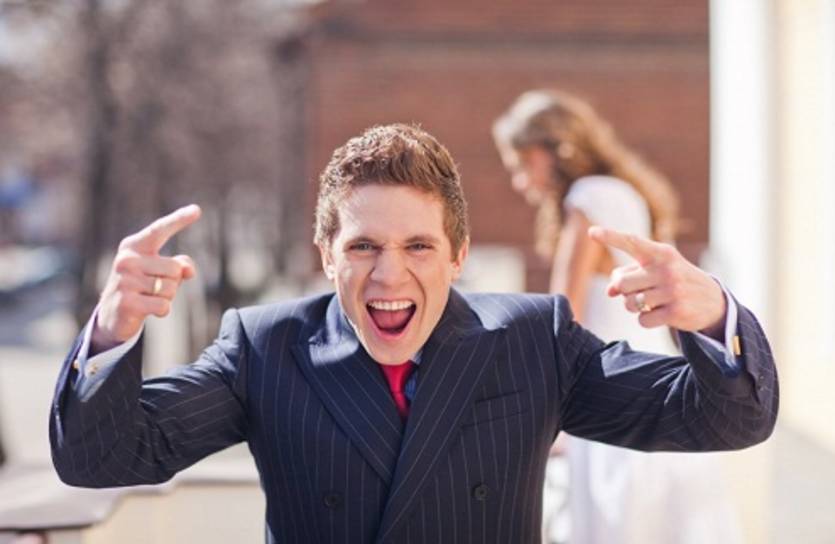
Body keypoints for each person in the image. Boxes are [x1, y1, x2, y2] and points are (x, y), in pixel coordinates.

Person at [50, 123, 777, 544]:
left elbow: (729, 418)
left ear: (458, 256)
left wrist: (711, 314)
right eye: (363, 246)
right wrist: (113, 327)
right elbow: (101, 457)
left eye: (418, 247)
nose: (388, 275)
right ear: (326, 255)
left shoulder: (534, 340)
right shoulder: (265, 348)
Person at [493, 90, 746, 543]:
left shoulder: (588, 198)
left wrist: (540, 413)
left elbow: (561, 315)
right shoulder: (623, 193)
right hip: (658, 374)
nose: (518, 180)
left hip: (610, 383)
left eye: (522, 163)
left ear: (553, 149)